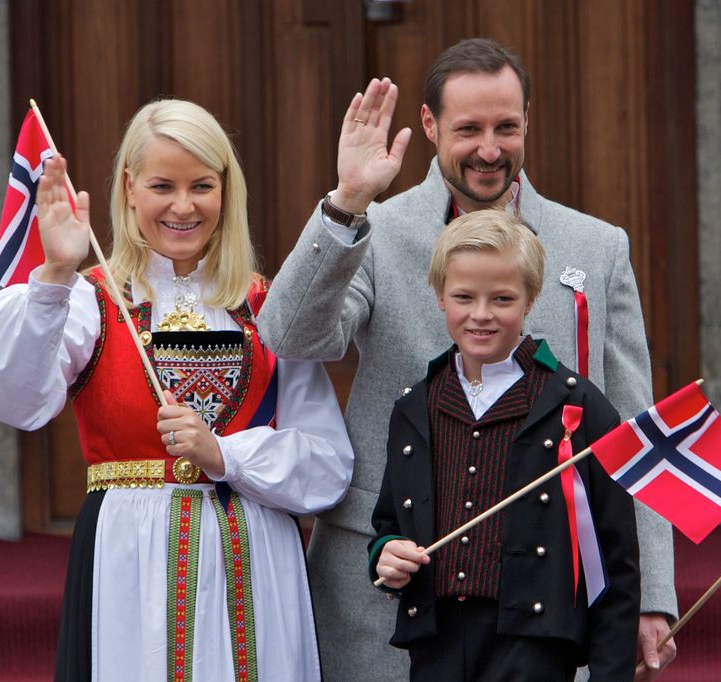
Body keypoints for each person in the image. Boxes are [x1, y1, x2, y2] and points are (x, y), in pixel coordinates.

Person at [257, 37, 677, 681]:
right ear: (428, 125)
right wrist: (346, 202)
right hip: (388, 583)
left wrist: (650, 595)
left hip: (542, 602)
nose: (490, 149)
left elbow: (635, 432)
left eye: (507, 127)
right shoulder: (376, 229)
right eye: (469, 129)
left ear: (528, 121)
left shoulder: (597, 248)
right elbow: (290, 336)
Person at [0, 99, 354, 681]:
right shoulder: (90, 300)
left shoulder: (266, 306)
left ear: (226, 191)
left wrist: (225, 455)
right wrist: (52, 277)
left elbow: (327, 464)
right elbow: (12, 397)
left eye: (202, 185)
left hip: (254, 558)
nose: (182, 205)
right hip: (131, 561)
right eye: (162, 185)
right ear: (128, 188)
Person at [371, 209, 640, 680]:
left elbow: (614, 559)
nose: (481, 314)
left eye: (502, 298)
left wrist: (610, 672)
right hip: (436, 643)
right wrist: (387, 552)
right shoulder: (415, 406)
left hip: (534, 645)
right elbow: (389, 522)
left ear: (531, 299)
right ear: (439, 297)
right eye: (463, 297)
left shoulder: (577, 406)